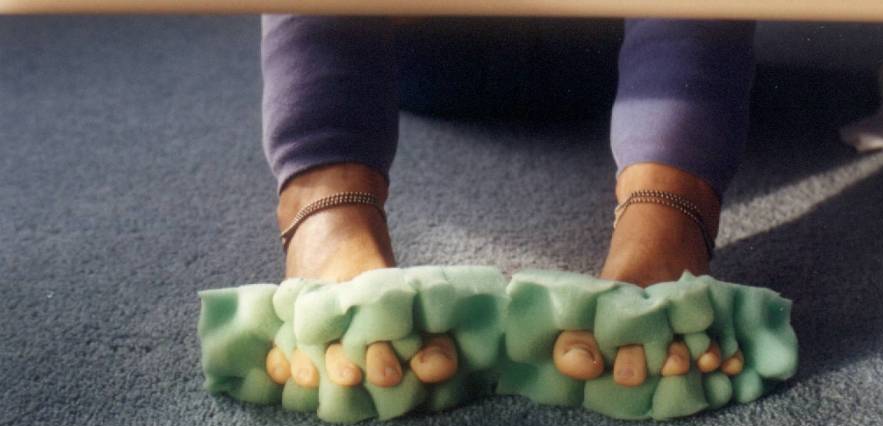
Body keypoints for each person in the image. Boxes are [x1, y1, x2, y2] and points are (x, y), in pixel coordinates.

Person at [261, 16, 755, 391]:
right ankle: (326, 194)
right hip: (418, 45)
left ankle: (669, 194)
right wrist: (325, 163)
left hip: (614, 44)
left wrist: (668, 182)